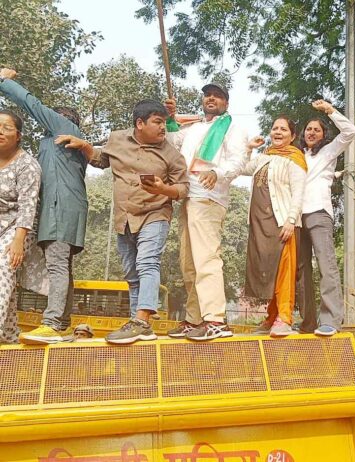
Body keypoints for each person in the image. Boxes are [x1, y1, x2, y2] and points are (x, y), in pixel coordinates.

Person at [56, 99, 189, 345]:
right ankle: (138, 325)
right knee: (131, 273)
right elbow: (100, 160)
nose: (163, 128)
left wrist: (163, 189)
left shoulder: (172, 153)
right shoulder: (116, 139)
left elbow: (182, 189)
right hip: (124, 219)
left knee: (147, 262)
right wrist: (84, 146)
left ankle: (141, 319)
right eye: (158, 122)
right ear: (140, 123)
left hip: (155, 214)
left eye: (164, 122)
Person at [0, 68, 88, 345]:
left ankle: (51, 323)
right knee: (62, 265)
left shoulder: (66, 132)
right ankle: (61, 323)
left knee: (57, 265)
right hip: (58, 208)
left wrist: (5, 82)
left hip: (61, 208)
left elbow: (33, 105)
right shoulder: (54, 145)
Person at [165, 83, 248, 341]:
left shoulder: (232, 129)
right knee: (188, 263)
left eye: (218, 96)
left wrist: (217, 172)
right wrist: (169, 119)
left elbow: (238, 160)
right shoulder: (193, 128)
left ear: (226, 103)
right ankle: (194, 319)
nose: (211, 98)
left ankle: (215, 320)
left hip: (209, 198)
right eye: (208, 95)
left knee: (206, 259)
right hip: (187, 197)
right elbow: (170, 143)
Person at [296, 100, 355, 336]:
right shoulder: (296, 155)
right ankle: (308, 321)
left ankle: (330, 320)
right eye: (309, 129)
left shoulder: (329, 152)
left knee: (326, 265)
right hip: (296, 216)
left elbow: (350, 132)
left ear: (323, 135)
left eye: (317, 130)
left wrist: (330, 111)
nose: (312, 132)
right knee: (301, 271)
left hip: (319, 213)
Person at [243, 116, 307, 337]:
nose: (278, 132)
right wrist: (249, 148)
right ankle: (271, 317)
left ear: (293, 136)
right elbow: (243, 167)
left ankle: (284, 318)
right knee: (267, 270)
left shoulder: (295, 159)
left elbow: (298, 194)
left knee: (283, 270)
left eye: (283, 129)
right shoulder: (264, 157)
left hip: (282, 223)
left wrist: (291, 220)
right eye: (274, 128)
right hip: (261, 225)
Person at [0, 109, 41, 343]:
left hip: (17, 227)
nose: (0, 131)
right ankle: (10, 334)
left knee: (3, 267)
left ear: (18, 136)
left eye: (6, 127)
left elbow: (28, 205)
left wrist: (18, 241)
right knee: (6, 284)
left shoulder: (28, 165)